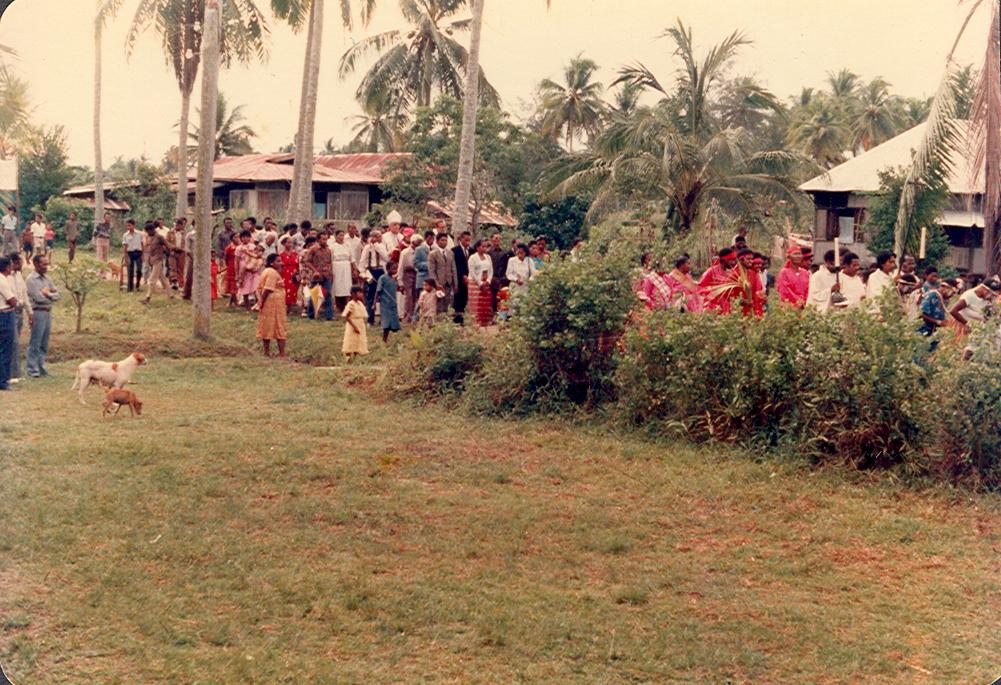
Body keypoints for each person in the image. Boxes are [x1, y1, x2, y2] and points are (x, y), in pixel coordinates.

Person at [25, 254, 58, 378]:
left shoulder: (47, 279)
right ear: (36, 264)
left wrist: (47, 294)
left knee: (44, 342)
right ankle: (32, 369)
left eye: (47, 264)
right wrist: (50, 295)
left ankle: (41, 367)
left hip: (47, 312)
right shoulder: (31, 280)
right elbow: (38, 298)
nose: (46, 266)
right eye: (44, 264)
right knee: (35, 341)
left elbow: (57, 294)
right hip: (38, 312)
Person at [256, 253, 288, 358]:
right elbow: (267, 288)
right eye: (278, 261)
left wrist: (261, 301)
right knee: (279, 325)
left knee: (267, 325)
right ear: (271, 263)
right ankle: (281, 354)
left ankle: (266, 352)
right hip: (274, 302)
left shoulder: (267, 271)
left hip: (270, 301)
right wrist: (261, 302)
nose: (281, 263)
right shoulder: (272, 273)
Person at [302, 233, 334, 321]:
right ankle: (311, 314)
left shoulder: (328, 250)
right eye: (323, 239)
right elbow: (307, 261)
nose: (325, 241)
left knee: (328, 294)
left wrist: (330, 272)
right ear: (318, 240)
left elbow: (329, 262)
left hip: (326, 274)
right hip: (316, 275)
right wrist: (315, 270)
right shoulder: (313, 249)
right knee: (314, 294)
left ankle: (329, 315)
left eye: (326, 239)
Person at [360, 231, 389, 325]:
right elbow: (362, 262)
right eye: (377, 236)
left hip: (380, 271)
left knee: (383, 296)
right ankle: (370, 319)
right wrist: (363, 274)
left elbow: (386, 258)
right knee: (370, 296)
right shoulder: (366, 248)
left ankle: (383, 318)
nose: (380, 238)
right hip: (370, 272)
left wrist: (377, 246)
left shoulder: (381, 246)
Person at [698, 247, 739, 313]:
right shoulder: (711, 272)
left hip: (727, 309)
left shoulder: (731, 274)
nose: (734, 263)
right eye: (732, 260)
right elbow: (700, 288)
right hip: (713, 309)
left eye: (735, 260)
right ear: (725, 260)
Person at [8, 254, 29, 383]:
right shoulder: (6, 278)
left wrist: (29, 312)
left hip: (20, 311)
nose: (22, 265)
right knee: (12, 342)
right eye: (20, 262)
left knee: (16, 342)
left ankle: (15, 372)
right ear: (14, 263)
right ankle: (11, 374)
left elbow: (24, 294)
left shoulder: (19, 276)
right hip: (10, 311)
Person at [143, 222, 173, 303]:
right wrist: (149, 260)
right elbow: (150, 249)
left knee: (152, 279)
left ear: (152, 230)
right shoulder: (149, 237)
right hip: (153, 260)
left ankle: (147, 298)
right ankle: (171, 295)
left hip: (159, 260)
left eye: (148, 231)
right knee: (163, 279)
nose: (148, 233)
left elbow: (168, 246)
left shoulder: (159, 237)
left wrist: (167, 255)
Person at [429, 232, 458, 315]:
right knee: (439, 303)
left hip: (448, 282)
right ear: (437, 241)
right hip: (439, 282)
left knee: (448, 302)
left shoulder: (450, 253)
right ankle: (438, 321)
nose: (444, 242)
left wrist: (455, 283)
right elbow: (432, 270)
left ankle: (446, 320)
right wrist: (436, 283)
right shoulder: (433, 254)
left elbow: (453, 269)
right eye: (442, 240)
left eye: (446, 240)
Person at [467, 239, 494, 327]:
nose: (484, 248)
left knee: (485, 302)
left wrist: (488, 281)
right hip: (475, 282)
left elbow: (491, 270)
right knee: (476, 303)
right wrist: (479, 283)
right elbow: (472, 271)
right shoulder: (473, 257)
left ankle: (485, 321)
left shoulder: (488, 257)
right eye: (482, 246)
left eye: (486, 246)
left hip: (486, 282)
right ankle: (475, 322)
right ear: (477, 247)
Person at [329, 228, 355, 312]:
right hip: (337, 266)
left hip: (346, 266)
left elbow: (352, 258)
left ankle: (347, 304)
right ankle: (337, 305)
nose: (342, 237)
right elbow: (330, 259)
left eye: (343, 235)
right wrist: (331, 270)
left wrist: (354, 269)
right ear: (336, 236)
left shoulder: (347, 245)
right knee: (337, 285)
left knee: (347, 285)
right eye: (340, 235)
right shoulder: (332, 246)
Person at [236, 230, 262, 309]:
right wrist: (237, 273)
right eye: (243, 237)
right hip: (243, 269)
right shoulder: (239, 248)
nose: (245, 239)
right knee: (245, 287)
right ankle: (247, 306)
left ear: (250, 238)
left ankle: (259, 305)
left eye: (247, 237)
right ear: (240, 238)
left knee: (256, 286)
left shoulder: (253, 246)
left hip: (253, 267)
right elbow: (236, 261)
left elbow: (257, 256)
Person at [342, 285, 369, 362]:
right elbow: (346, 317)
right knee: (351, 340)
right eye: (359, 292)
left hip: (360, 324)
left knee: (358, 341)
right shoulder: (351, 304)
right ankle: (348, 358)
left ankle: (355, 358)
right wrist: (354, 327)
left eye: (362, 293)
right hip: (353, 324)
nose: (361, 294)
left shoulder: (360, 304)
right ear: (353, 294)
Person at [0, 256, 15, 390]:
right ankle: (3, 381)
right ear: (6, 267)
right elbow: (12, 300)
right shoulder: (2, 280)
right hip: (4, 315)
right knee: (5, 348)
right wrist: (17, 302)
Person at [376, 261, 401, 343]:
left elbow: (397, 288)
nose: (395, 270)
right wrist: (374, 303)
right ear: (387, 269)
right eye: (393, 269)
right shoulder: (382, 278)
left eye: (396, 269)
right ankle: (384, 339)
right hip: (385, 304)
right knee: (386, 323)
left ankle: (397, 338)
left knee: (394, 322)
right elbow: (378, 291)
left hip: (393, 304)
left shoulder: (394, 279)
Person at [398, 233, 419, 322]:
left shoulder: (420, 252)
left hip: (417, 275)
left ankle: (413, 316)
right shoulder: (405, 253)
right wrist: (400, 282)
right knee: (408, 296)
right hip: (407, 276)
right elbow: (401, 267)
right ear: (413, 242)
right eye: (418, 243)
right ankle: (407, 316)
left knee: (415, 295)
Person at [122, 219, 144, 292]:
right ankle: (130, 287)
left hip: (138, 253)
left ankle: (138, 284)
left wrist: (142, 255)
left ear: (133, 225)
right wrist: (125, 257)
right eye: (127, 226)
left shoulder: (140, 234)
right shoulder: (125, 235)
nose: (128, 227)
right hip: (130, 253)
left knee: (139, 270)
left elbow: (142, 244)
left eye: (129, 225)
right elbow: (125, 247)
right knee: (130, 271)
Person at [278, 237, 300, 311]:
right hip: (285, 274)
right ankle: (284, 306)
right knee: (286, 289)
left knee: (294, 289)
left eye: (291, 243)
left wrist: (298, 274)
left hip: (294, 274)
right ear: (284, 244)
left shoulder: (295, 254)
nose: (290, 244)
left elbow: (298, 265)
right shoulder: (281, 255)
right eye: (288, 242)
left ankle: (290, 306)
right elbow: (280, 266)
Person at [224, 233, 239, 307]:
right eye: (236, 237)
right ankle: (235, 302)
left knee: (236, 285)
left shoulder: (241, 247)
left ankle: (231, 302)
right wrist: (228, 265)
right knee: (233, 285)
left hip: (239, 267)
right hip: (231, 267)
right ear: (232, 239)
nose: (238, 238)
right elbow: (226, 258)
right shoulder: (229, 248)